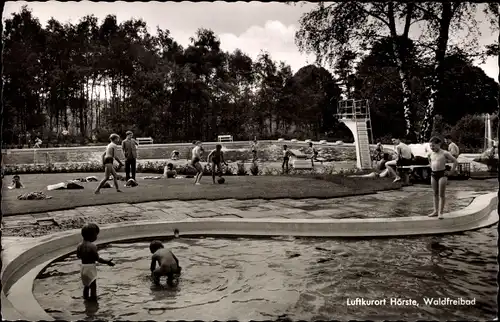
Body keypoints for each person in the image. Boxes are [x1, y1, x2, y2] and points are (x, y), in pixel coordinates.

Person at [76, 223, 115, 301]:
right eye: (96, 235)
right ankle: (94, 299)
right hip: (90, 268)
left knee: (86, 286)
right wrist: (107, 262)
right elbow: (97, 258)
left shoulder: (79, 245)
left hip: (83, 268)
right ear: (92, 236)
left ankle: (85, 298)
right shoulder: (92, 246)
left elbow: (78, 256)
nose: (96, 237)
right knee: (93, 285)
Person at [427, 136, 458, 219]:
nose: (432, 148)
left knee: (441, 194)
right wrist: (431, 166)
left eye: (433, 146)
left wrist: (451, 172)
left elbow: (455, 161)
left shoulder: (445, 153)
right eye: (430, 146)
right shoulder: (430, 154)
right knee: (435, 193)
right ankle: (435, 211)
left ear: (439, 144)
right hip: (433, 175)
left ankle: (440, 212)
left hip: (442, 175)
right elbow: (429, 160)